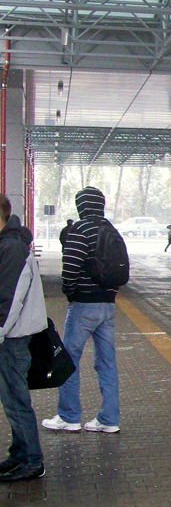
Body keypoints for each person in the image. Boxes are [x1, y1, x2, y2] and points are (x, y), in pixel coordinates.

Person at [42, 186, 120, 434]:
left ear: (81, 206)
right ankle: (109, 420)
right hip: (108, 306)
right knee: (107, 363)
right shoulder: (111, 230)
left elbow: (70, 270)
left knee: (68, 360)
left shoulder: (79, 230)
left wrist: (70, 293)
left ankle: (69, 416)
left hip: (83, 306)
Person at [0, 193, 48, 481]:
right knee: (11, 398)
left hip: (12, 338)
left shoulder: (11, 247)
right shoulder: (9, 244)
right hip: (11, 336)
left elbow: (10, 298)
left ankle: (32, 461)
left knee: (17, 401)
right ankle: (19, 454)